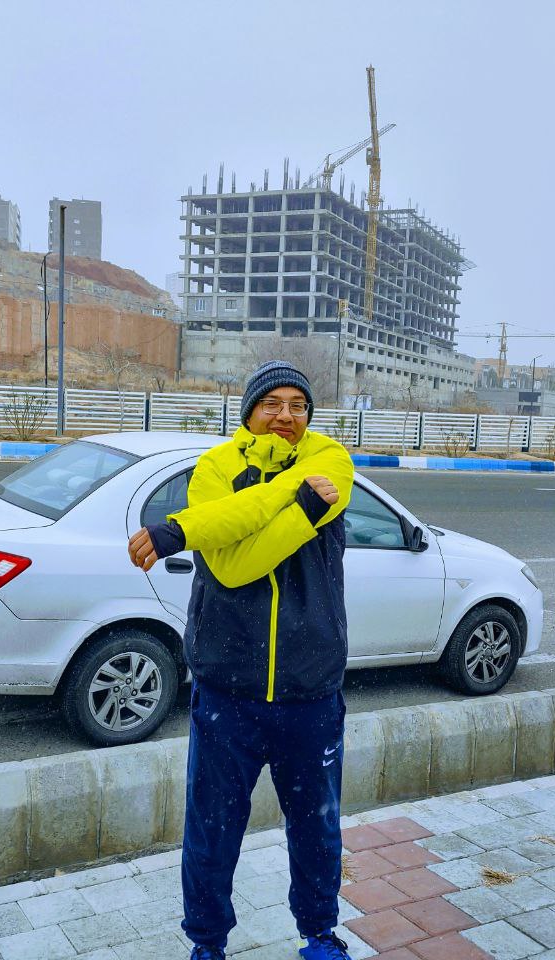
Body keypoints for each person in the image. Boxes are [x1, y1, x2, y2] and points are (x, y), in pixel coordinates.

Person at [127, 360, 355, 960]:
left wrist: (192, 530)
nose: (285, 416)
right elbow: (228, 569)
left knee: (317, 826)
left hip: (310, 689)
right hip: (228, 690)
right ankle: (207, 943)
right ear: (249, 409)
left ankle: (319, 933)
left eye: (297, 406)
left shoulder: (331, 459)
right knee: (212, 830)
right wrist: (294, 502)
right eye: (271, 403)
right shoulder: (215, 468)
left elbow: (243, 557)